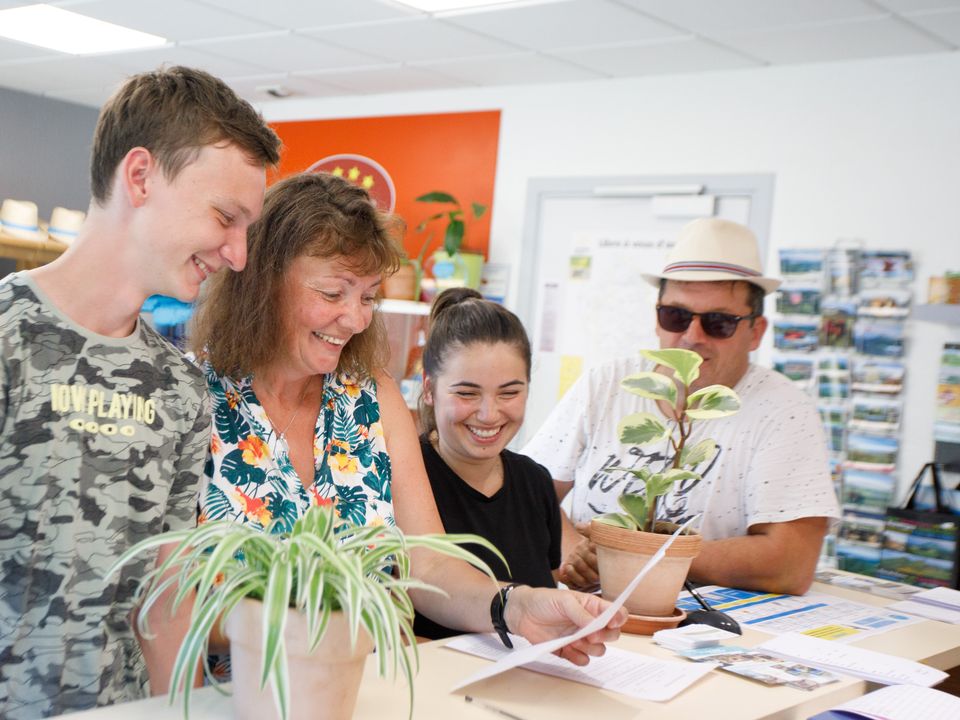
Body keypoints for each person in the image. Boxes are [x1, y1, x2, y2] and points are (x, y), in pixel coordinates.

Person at [192, 172, 625, 666]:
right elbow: (165, 601)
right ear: (262, 284)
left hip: (370, 692)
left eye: (368, 296)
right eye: (334, 293)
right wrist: (316, 630)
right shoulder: (194, 398)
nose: (356, 319)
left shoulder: (370, 398)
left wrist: (516, 605)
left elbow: (430, 565)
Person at [0, 66, 281, 719]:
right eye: (224, 217)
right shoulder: (10, 339)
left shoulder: (180, 387)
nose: (238, 254)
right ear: (140, 177)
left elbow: (167, 594)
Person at [523, 218, 841, 596]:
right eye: (675, 316)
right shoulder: (606, 384)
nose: (692, 337)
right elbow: (527, 493)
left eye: (718, 322)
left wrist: (628, 555)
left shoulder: (784, 412)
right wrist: (576, 551)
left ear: (756, 332)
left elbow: (789, 565)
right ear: (656, 317)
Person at [412, 288, 562, 639]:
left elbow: (547, 597)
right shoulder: (403, 480)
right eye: (467, 393)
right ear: (430, 389)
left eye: (510, 392)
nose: (489, 414)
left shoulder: (535, 483)